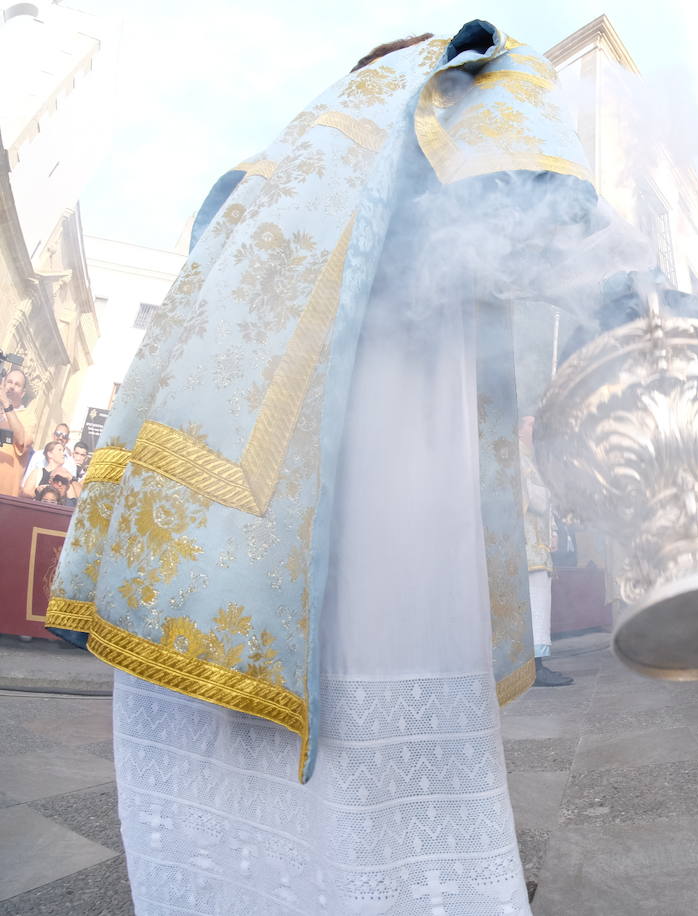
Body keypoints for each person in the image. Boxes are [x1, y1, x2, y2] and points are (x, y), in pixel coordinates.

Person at [45, 23, 602, 913]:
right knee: (374, 657)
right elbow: (549, 220)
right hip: (393, 404)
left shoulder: (304, 137)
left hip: (249, 455)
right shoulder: (467, 72)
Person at [519, 415, 573, 687]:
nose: (535, 429)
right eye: (530, 424)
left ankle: (537, 665)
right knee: (533, 606)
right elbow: (522, 494)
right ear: (518, 430)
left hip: (539, 548)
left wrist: (552, 531)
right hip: (525, 548)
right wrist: (545, 495)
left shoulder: (533, 459)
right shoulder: (514, 457)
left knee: (540, 605)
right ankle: (534, 668)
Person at [0, 368, 33, 497]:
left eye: (17, 384)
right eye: (9, 382)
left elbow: (21, 441)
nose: (12, 386)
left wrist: (6, 404)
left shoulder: (28, 416)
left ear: (23, 393)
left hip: (4, 493)